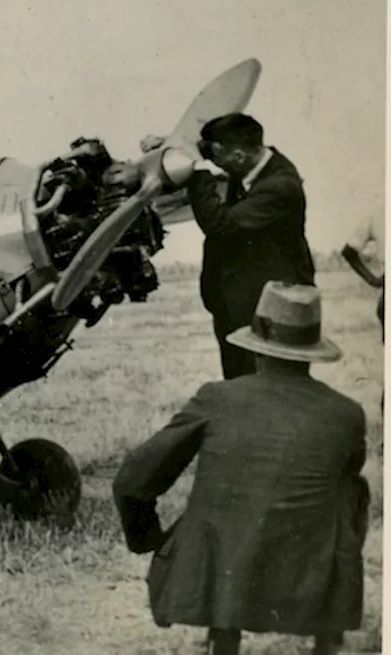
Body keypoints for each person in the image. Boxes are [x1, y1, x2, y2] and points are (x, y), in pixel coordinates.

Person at [112, 281, 368, 655]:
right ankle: (325, 638)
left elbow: (133, 477)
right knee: (350, 491)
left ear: (257, 349)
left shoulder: (217, 399)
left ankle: (224, 631)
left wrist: (148, 539)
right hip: (305, 572)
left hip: (221, 573)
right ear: (310, 351)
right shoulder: (347, 414)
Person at [146, 114, 317, 379]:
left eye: (218, 159)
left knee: (265, 389)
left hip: (270, 314)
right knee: (239, 387)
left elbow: (220, 225)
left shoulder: (280, 186)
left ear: (238, 156)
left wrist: (198, 173)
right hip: (238, 305)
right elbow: (209, 148)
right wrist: (170, 147)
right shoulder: (246, 160)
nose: (215, 164)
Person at [341, 205, 385, 341]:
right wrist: (373, 280)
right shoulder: (378, 216)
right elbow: (349, 251)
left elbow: (349, 252)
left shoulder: (378, 215)